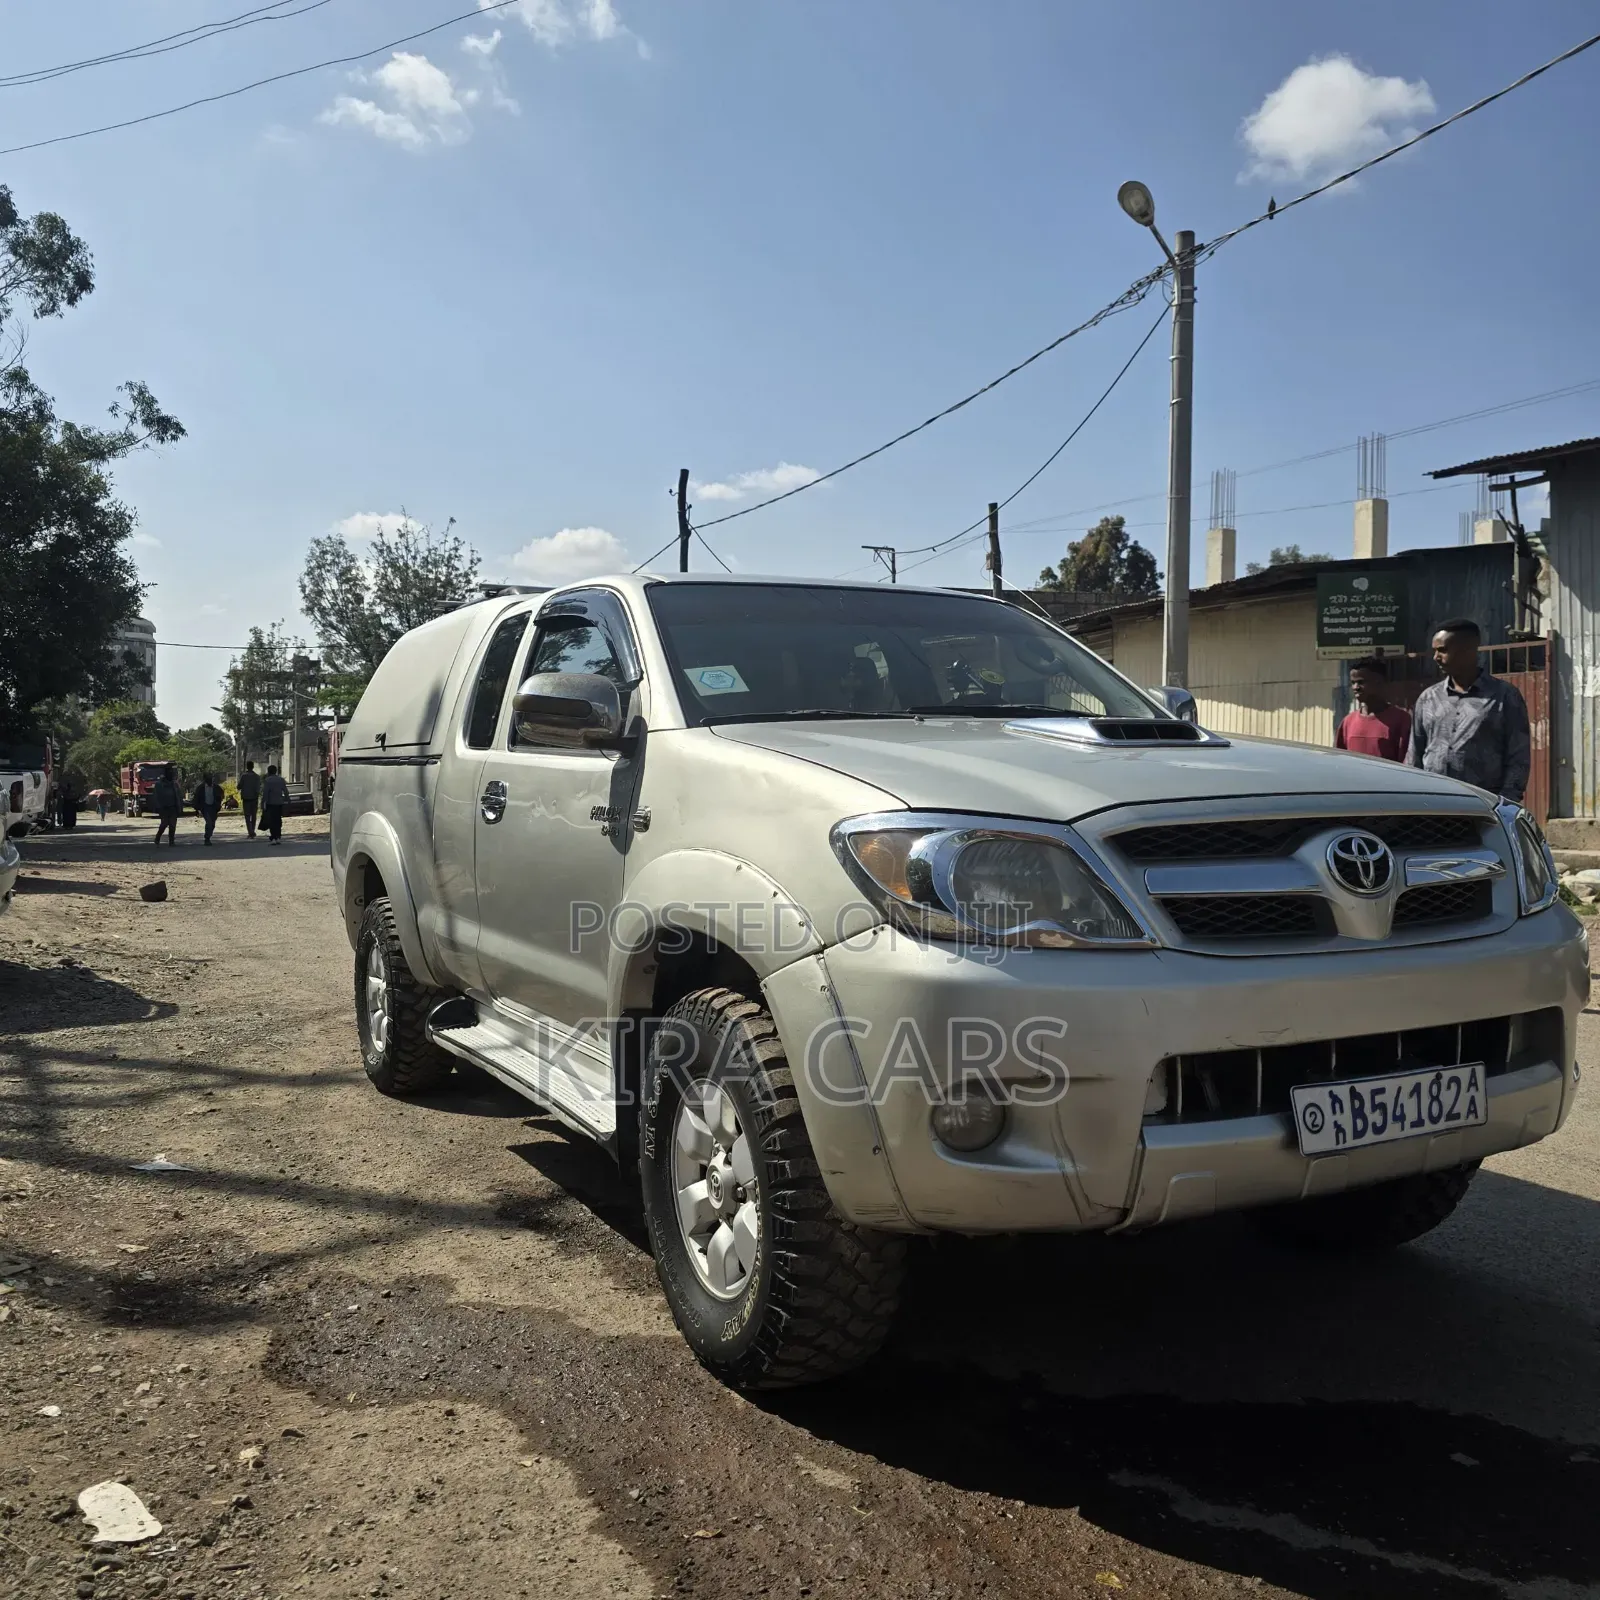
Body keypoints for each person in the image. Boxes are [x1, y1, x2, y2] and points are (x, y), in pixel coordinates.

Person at [1407, 617, 1531, 803]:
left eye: (1443, 650)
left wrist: (1505, 802)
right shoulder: (1428, 698)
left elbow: (1518, 757)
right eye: (1435, 651)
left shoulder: (1503, 696)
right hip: (1432, 803)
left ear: (1468, 649)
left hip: (1481, 804)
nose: (1436, 657)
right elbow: (1414, 754)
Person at [1335, 657, 1412, 762]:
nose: (1356, 687)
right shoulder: (1347, 722)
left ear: (1378, 682)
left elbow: (1408, 761)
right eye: (1353, 683)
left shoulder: (1401, 720)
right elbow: (1338, 761)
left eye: (1361, 682)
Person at [152, 764, 181, 847]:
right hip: (163, 807)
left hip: (173, 807)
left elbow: (178, 796)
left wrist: (179, 807)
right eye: (169, 772)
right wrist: (158, 807)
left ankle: (171, 841)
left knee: (172, 825)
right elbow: (156, 796)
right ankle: (158, 837)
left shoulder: (174, 784)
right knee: (164, 824)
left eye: (172, 773)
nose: (171, 774)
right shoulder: (159, 784)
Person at [193, 771, 224, 846]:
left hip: (214, 807)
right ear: (205, 779)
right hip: (205, 807)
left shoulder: (216, 787)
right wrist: (197, 809)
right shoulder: (201, 788)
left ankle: (209, 835)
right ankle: (207, 838)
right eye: (208, 778)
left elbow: (222, 794)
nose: (210, 780)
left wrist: (219, 803)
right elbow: (196, 798)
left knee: (212, 824)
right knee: (209, 823)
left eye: (211, 778)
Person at [262, 764, 290, 846]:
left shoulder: (267, 780)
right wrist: (288, 800)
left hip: (270, 803)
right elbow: (285, 791)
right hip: (279, 803)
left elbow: (265, 793)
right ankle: (278, 837)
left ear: (268, 772)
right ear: (276, 771)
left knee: (272, 821)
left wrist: (263, 803)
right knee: (278, 820)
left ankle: (273, 837)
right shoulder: (281, 780)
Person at [238, 760, 262, 840]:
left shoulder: (244, 776)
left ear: (247, 767)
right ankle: (252, 831)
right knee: (254, 815)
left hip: (246, 798)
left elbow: (239, 786)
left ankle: (250, 832)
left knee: (247, 816)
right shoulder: (257, 777)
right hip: (254, 798)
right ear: (253, 767)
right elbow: (258, 788)